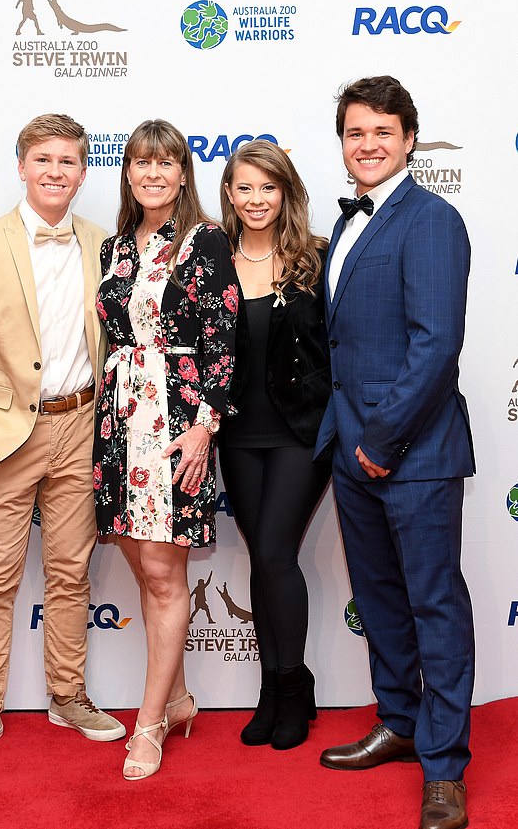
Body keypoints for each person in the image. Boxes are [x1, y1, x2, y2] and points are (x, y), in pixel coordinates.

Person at [0, 113, 125, 768]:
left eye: (68, 161)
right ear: (21, 165)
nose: (55, 171)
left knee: (71, 572)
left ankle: (68, 695)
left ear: (83, 171)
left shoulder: (103, 243)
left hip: (81, 428)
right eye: (43, 159)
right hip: (5, 435)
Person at [314, 76, 475, 829]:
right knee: (379, 600)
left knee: (434, 603)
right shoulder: (345, 225)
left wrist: (381, 441)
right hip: (353, 453)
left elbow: (436, 346)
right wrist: (351, 445)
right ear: (342, 142)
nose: (368, 144)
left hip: (415, 453)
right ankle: (400, 720)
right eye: (355, 132)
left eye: (383, 131)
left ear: (410, 138)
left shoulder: (432, 220)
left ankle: (444, 766)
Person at [93, 118, 239, 779]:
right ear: (127, 173)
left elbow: (221, 338)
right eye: (141, 163)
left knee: (164, 572)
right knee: (141, 562)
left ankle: (148, 723)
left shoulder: (206, 240)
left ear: (184, 172)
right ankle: (178, 696)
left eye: (166, 162)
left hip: (176, 421)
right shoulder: (116, 247)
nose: (153, 173)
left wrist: (206, 426)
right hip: (120, 422)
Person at [218, 140, 331, 750]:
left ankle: (290, 686)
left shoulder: (316, 259)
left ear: (285, 193)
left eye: (269, 187)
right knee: (264, 559)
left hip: (300, 434)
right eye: (246, 188)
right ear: (229, 195)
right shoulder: (214, 262)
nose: (257, 199)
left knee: (275, 553)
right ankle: (275, 686)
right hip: (237, 435)